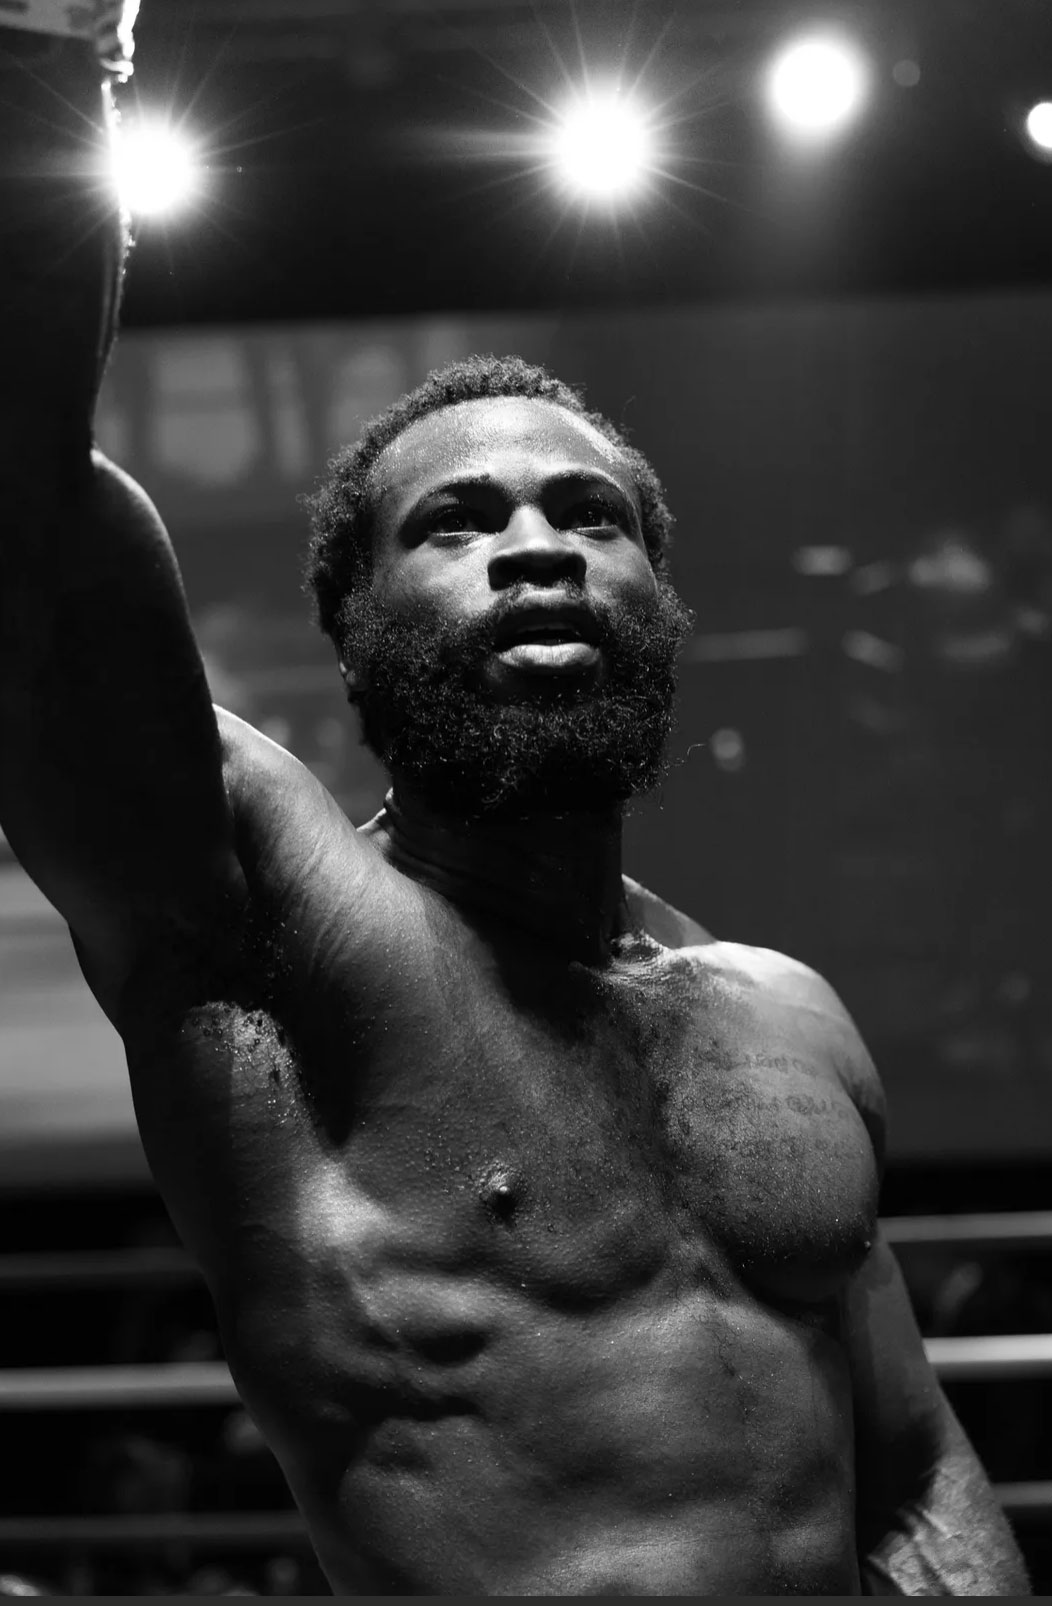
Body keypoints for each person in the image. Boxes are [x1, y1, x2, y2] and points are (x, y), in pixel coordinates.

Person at [0, 13, 1031, 1598]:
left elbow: (904, 1466)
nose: (538, 544)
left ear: (656, 596)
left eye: (590, 513)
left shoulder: (787, 1015)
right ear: (350, 622)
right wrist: (49, 47)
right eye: (461, 520)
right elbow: (27, 525)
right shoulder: (265, 934)